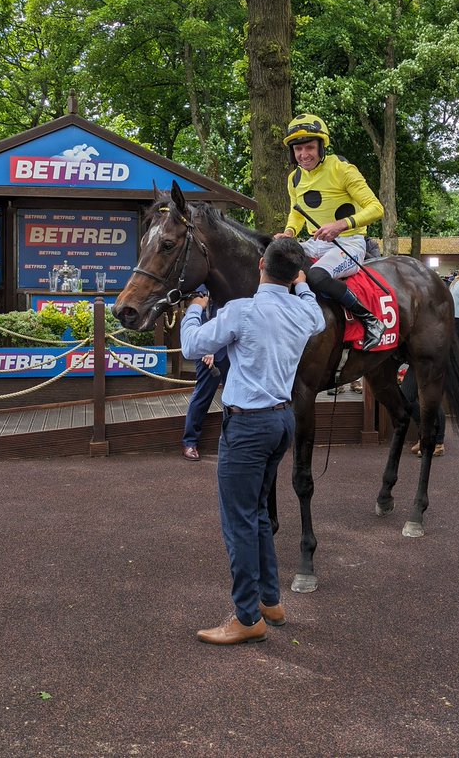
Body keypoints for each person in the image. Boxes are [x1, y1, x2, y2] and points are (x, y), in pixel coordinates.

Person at [181, 237, 325, 645]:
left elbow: (192, 345)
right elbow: (315, 312)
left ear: (260, 264)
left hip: (247, 427)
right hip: (282, 421)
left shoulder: (241, 310)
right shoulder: (305, 311)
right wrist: (301, 285)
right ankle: (269, 600)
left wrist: (193, 311)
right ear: (296, 274)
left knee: (239, 523)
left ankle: (247, 617)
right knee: (258, 513)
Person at [273, 113, 385, 351]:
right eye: (298, 149)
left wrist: (340, 225)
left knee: (316, 276)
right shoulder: (294, 179)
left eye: (310, 147)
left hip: (349, 243)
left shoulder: (342, 169)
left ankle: (370, 320)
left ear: (322, 146)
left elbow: (376, 209)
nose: (304, 155)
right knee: (273, 257)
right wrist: (290, 232)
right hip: (316, 243)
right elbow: (297, 212)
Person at [181, 285, 230, 462]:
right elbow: (197, 313)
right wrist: (207, 348)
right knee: (202, 395)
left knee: (233, 398)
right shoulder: (201, 285)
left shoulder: (231, 278)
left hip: (232, 350)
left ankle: (230, 441)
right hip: (207, 351)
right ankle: (189, 442)